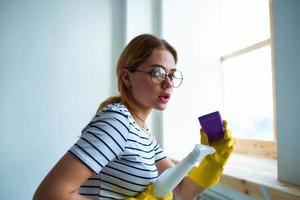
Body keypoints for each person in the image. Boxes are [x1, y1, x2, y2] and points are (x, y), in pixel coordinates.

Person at [33, 34, 234, 200]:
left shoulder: (142, 133)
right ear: (127, 77)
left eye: (171, 75)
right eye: (157, 72)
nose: (168, 83)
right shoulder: (116, 123)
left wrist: (213, 161)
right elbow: (49, 195)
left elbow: (181, 189)